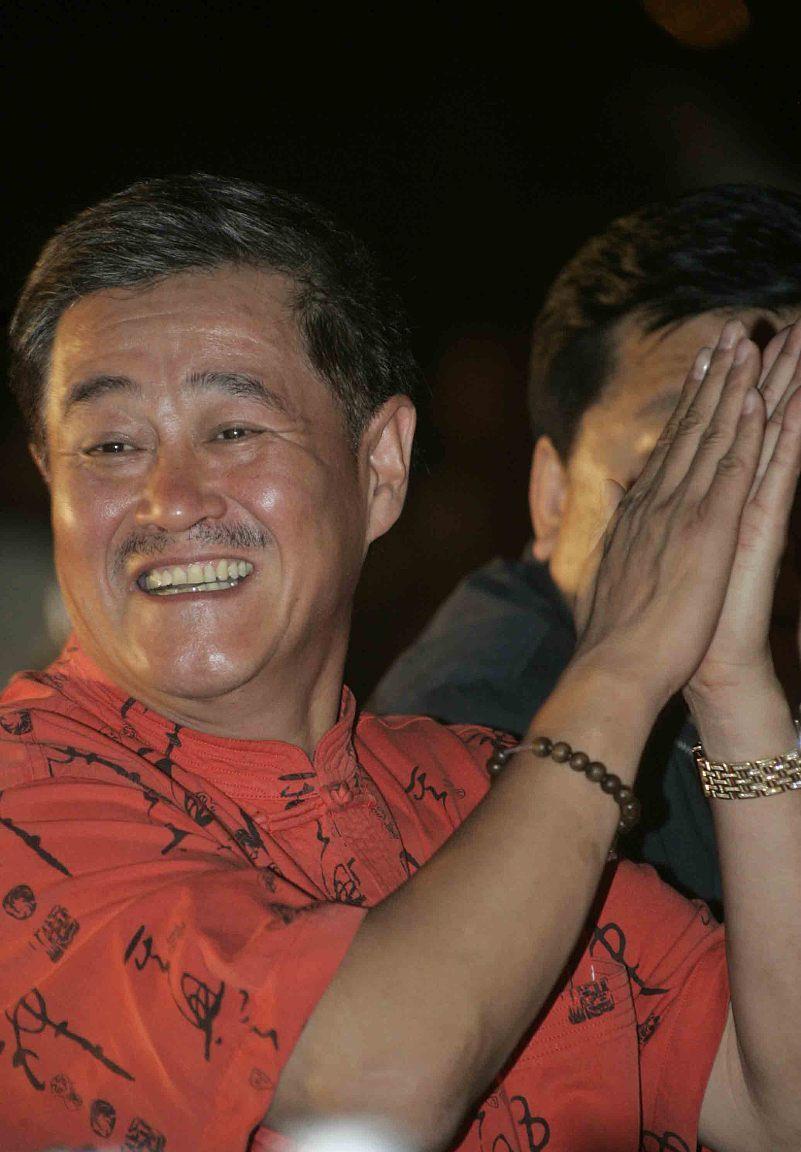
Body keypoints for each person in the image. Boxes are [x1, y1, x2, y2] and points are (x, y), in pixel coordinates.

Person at [1, 174, 801, 1152]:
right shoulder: (23, 796)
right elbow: (366, 1092)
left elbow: (780, 1104)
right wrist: (622, 666)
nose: (169, 499)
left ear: (379, 466)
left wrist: (731, 687)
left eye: (234, 431)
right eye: (111, 446)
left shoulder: (470, 786)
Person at [370, 184, 801, 914]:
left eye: (787, 465)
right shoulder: (478, 728)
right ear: (552, 496)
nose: (765, 522)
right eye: (692, 467)